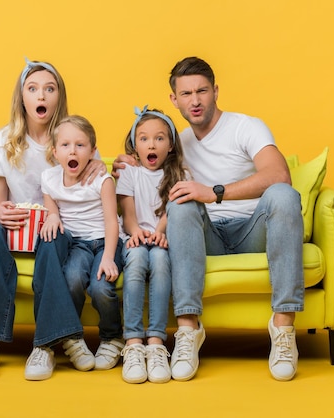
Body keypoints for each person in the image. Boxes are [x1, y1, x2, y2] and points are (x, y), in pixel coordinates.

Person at [114, 56, 304, 382]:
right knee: (181, 202)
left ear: (215, 91)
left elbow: (279, 173)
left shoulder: (246, 126)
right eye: (186, 94)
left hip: (252, 229)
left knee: (284, 195)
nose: (195, 100)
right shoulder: (177, 142)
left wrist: (214, 192)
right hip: (205, 237)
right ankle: (188, 330)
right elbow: (148, 156)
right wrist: (123, 162)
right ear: (174, 100)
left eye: (202, 91)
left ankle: (283, 329)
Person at [0, 58, 105, 381]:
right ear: (22, 97)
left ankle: (45, 346)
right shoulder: (4, 141)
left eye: (49, 89)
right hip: (15, 227)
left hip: (55, 227)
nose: (42, 96)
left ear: (58, 97)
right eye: (33, 89)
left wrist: (102, 165)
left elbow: (95, 174)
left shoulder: (70, 138)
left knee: (53, 239)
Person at [37, 115, 125, 372]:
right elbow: (50, 205)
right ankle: (71, 335)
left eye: (80, 145)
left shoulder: (102, 180)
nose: (72, 151)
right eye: (65, 145)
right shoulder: (50, 178)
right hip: (77, 245)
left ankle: (112, 336)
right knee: (72, 278)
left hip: (105, 242)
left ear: (93, 151)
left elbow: (112, 222)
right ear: (55, 152)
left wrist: (109, 257)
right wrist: (52, 214)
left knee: (100, 286)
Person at [116, 106, 187, 384]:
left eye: (159, 138)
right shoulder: (129, 173)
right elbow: (128, 214)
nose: (151, 144)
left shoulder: (181, 173)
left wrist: (159, 232)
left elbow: (174, 211)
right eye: (144, 138)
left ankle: (156, 343)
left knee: (159, 260)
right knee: (135, 262)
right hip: (133, 237)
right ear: (135, 145)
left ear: (170, 145)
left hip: (163, 238)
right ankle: (133, 342)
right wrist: (136, 232)